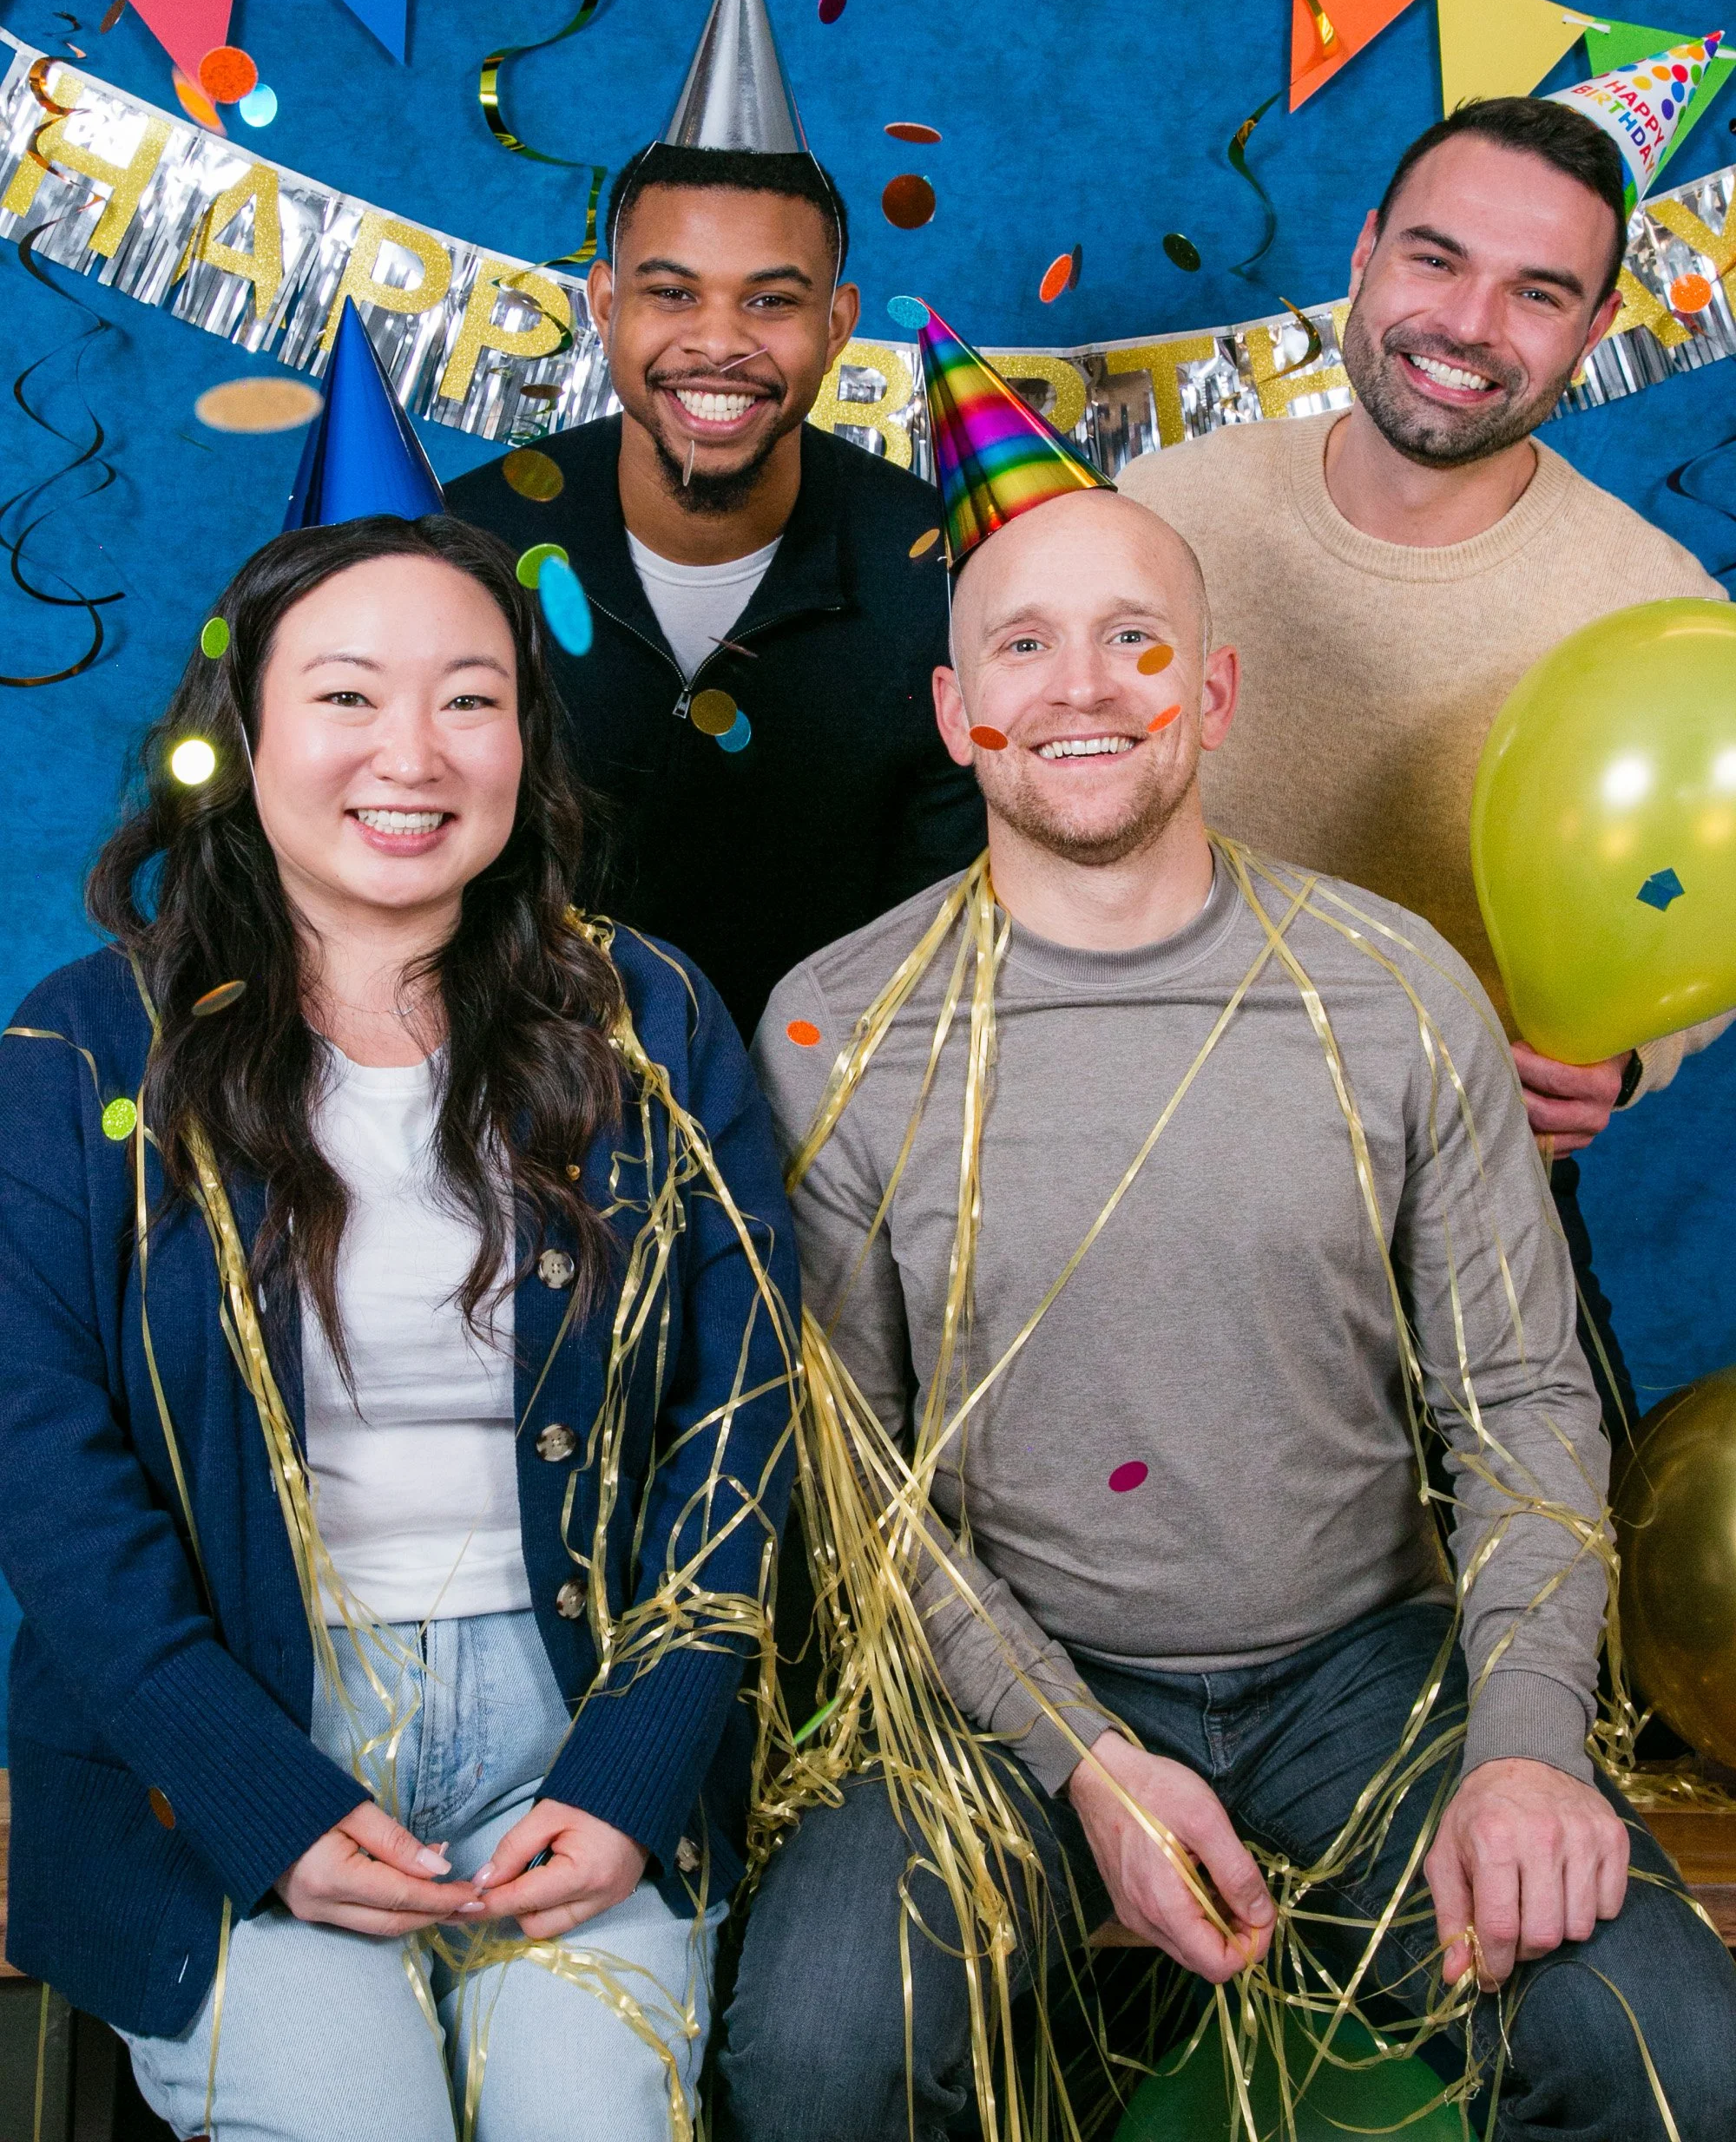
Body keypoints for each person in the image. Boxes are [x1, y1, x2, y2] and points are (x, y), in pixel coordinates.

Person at [713, 325, 1736, 2142]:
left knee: (1671, 2056)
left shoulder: (1391, 988)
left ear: (1218, 688)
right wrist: (1085, 1760)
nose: (1081, 686)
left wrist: (1516, 1741)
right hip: (1007, 1686)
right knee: (811, 2059)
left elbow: (1518, 1401)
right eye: (1019, 645)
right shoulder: (831, 1030)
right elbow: (860, 1487)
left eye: (1135, 637)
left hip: (1363, 1668)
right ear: (957, 716)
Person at [0, 369, 800, 2142]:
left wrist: (635, 1764)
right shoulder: (80, 1053)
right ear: (250, 732)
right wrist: (249, 1793)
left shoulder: (650, 1020)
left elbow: (741, 1415)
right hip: (217, 1730)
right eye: (347, 697)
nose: (413, 754)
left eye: (470, 700)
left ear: (528, 736)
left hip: (573, 1712)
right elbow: (41, 1464)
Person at [1119, 93, 1728, 1423]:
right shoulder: (1162, 513)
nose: (1466, 326)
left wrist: (1630, 1060)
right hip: (1133, 1178)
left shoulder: (1656, 614)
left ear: (1598, 330)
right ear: (1364, 253)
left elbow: (1712, 882)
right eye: (1437, 260)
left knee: (1569, 1605)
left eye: (1538, 292)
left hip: (1455, 1215)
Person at [448, 0, 983, 1037]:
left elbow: (962, 939)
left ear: (837, 325)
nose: (718, 344)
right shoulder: (459, 549)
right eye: (671, 292)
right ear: (604, 304)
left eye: (770, 302)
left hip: (831, 1140)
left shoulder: (944, 578)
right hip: (499, 1118)